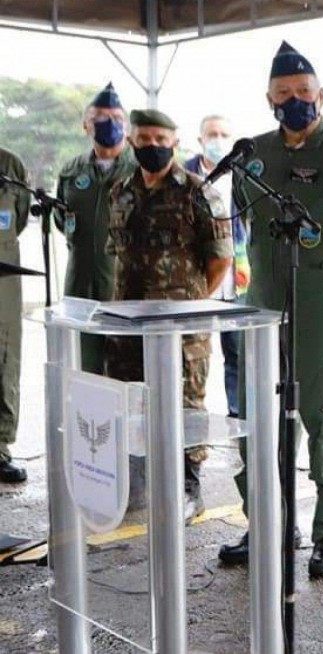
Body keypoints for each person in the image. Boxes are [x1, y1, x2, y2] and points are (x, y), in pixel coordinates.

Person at [218, 41, 323, 578]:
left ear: (322, 96)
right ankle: (267, 521)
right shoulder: (253, 156)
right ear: (269, 98)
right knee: (256, 417)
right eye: (284, 94)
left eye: (304, 93)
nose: (296, 101)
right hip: (263, 307)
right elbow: (242, 227)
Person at [105, 109, 233, 523]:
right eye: (144, 139)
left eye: (162, 139)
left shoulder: (199, 192)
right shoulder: (119, 191)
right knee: (132, 402)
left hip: (182, 329)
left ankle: (188, 487)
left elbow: (220, 262)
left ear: (175, 143)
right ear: (131, 142)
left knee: (187, 406)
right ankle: (137, 487)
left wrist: (188, 303)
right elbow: (118, 257)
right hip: (129, 323)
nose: (153, 146)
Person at [55, 83, 137, 373]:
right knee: (83, 369)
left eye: (117, 118)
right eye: (101, 118)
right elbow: (62, 220)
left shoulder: (140, 169)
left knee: (124, 370)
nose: (110, 124)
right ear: (86, 126)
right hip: (80, 285)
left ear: (127, 127)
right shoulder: (71, 171)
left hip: (125, 287)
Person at [184, 114, 250, 416]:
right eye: (212, 134)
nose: (218, 141)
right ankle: (190, 417)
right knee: (193, 354)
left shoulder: (246, 176)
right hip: (198, 279)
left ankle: (237, 415)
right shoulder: (185, 176)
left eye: (224, 134)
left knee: (237, 354)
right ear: (200, 140)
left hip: (238, 279)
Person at [0, 146, 31, 484]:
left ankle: (0, 448)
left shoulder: (10, 164)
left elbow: (17, 218)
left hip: (3, 272)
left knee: (5, 356)